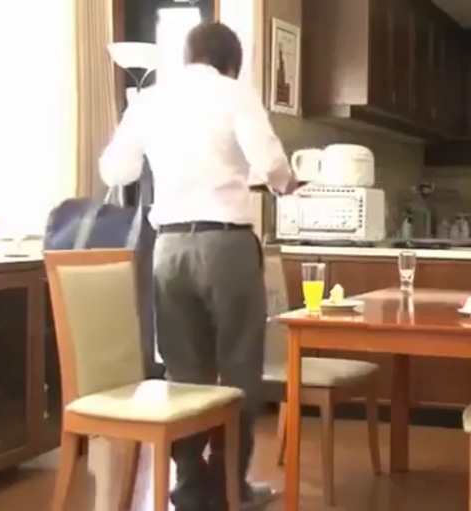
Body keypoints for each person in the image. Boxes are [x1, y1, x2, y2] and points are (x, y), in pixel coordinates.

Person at [99, 22, 299, 511]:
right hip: (227, 244)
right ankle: (231, 486)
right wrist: (286, 183)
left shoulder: (149, 101)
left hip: (169, 248)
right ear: (231, 63)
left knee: (183, 372)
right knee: (240, 367)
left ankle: (190, 486)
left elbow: (116, 170)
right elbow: (269, 163)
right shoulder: (234, 92)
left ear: (187, 56)